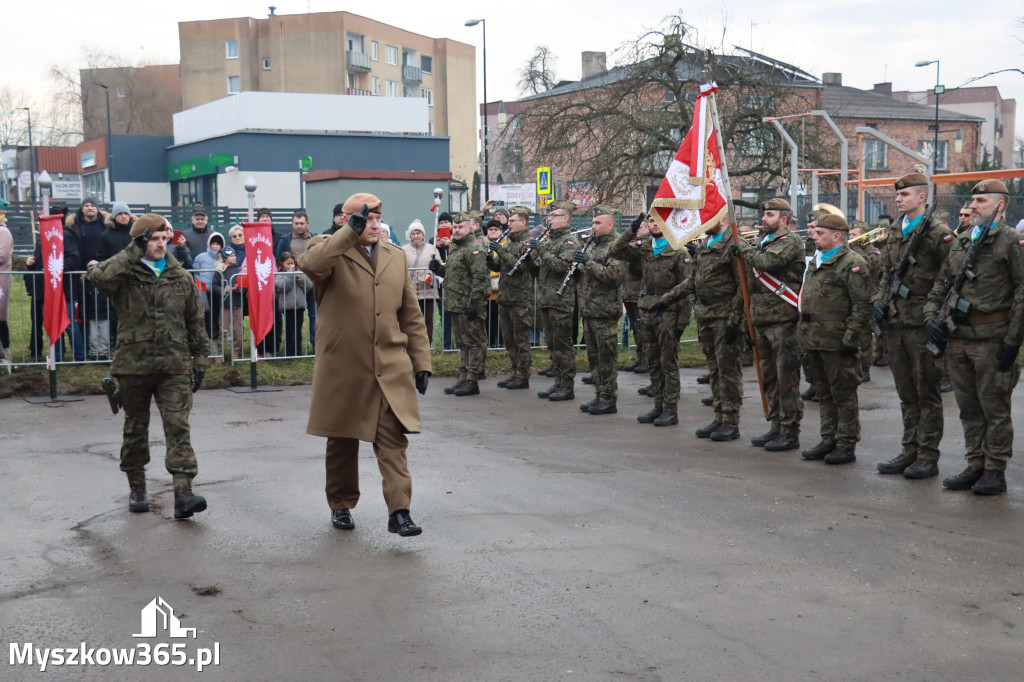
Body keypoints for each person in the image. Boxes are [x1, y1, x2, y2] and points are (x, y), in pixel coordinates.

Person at [298, 193, 431, 536]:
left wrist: (421, 362)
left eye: (376, 219)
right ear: (347, 219)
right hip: (345, 366)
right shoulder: (329, 248)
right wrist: (347, 233)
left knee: (393, 440)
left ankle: (399, 512)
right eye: (365, 219)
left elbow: (411, 315)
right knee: (342, 442)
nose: (373, 225)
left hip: (388, 364)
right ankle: (341, 504)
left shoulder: (394, 256)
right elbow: (310, 265)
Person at [86, 213, 212, 519]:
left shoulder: (178, 275)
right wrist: (133, 250)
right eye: (153, 238)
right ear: (142, 240)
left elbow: (195, 320)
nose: (160, 243)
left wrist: (201, 358)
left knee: (178, 428)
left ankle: (183, 492)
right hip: (133, 366)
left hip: (174, 365)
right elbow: (99, 277)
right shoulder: (125, 272)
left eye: (163, 238)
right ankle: (137, 488)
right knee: (135, 429)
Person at [925, 180, 1024, 495]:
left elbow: (1023, 292)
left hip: (993, 339)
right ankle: (975, 463)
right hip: (959, 338)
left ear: (1000, 205)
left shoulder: (1011, 242)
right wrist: (930, 316)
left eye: (981, 200)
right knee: (968, 407)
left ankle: (994, 470)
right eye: (972, 200)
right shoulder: (963, 240)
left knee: (994, 408)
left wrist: (1013, 341)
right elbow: (942, 282)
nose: (973, 206)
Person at [870, 174, 954, 480]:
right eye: (898, 194)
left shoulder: (938, 233)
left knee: (926, 392)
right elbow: (886, 273)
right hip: (896, 323)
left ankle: (927, 455)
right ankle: (909, 449)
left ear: (922, 197)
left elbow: (951, 277)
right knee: (906, 391)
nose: (899, 198)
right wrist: (879, 301)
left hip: (922, 323)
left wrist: (938, 318)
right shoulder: (895, 231)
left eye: (905, 194)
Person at [653, 216, 741, 437]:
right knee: (714, 369)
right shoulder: (706, 244)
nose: (702, 223)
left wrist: (736, 320)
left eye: (709, 218)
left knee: (727, 370)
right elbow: (693, 280)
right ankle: (719, 415)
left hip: (724, 315)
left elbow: (743, 286)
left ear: (723, 217)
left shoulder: (734, 244)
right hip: (706, 315)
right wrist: (666, 299)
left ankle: (731, 421)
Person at [730, 198, 805, 451]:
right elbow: (750, 287)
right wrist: (745, 321)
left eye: (770, 215)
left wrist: (743, 249)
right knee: (769, 378)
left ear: (784, 220)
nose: (764, 219)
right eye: (764, 215)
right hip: (762, 321)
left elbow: (768, 263)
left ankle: (790, 430)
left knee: (786, 379)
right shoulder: (761, 243)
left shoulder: (790, 242)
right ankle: (775, 425)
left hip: (784, 322)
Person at [798, 214, 872, 465]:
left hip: (837, 340)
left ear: (836, 236)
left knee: (843, 394)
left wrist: (851, 338)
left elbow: (861, 305)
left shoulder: (852, 262)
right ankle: (828, 438)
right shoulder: (817, 261)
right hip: (814, 338)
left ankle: (845, 443)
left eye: (820, 233)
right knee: (823, 393)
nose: (814, 237)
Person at [614, 213, 692, 426]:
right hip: (646, 308)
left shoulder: (678, 251)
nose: (655, 225)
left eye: (659, 221)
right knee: (653, 362)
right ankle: (658, 405)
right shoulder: (644, 248)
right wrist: (630, 231)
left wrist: (682, 323)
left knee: (668, 363)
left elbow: (687, 290)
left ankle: (670, 409)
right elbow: (616, 250)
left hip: (668, 311)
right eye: (651, 221)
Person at [428, 212, 490, 396]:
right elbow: (452, 271)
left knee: (472, 343)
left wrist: (474, 304)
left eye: (460, 227)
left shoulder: (475, 248)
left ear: (470, 227)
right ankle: (463, 377)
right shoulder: (456, 247)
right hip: (455, 302)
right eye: (454, 227)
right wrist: (438, 268)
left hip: (468, 304)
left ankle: (472, 379)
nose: (456, 230)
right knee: (462, 343)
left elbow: (479, 279)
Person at [574, 205, 626, 415]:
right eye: (593, 222)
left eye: (597, 223)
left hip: (604, 310)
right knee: (594, 358)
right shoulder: (592, 244)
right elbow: (587, 273)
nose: (593, 226)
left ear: (610, 224)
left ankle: (608, 398)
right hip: (589, 309)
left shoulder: (617, 246)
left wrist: (588, 264)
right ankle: (599, 395)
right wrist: (578, 269)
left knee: (606, 358)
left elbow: (614, 277)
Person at [529, 200, 581, 401]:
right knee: (552, 345)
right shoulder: (549, 241)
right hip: (547, 299)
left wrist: (541, 250)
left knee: (563, 345)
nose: (549, 220)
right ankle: (558, 382)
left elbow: (560, 266)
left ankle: (567, 386)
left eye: (553, 216)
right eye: (549, 216)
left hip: (561, 301)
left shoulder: (569, 242)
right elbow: (540, 268)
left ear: (565, 219)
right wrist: (530, 257)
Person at [488, 205, 535, 389]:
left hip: (520, 298)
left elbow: (521, 266)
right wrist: (489, 258)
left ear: (522, 223)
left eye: (513, 221)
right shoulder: (509, 242)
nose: (509, 224)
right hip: (505, 297)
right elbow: (498, 266)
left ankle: (523, 375)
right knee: (509, 338)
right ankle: (514, 371)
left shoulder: (528, 243)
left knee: (520, 339)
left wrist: (500, 251)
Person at [65, 196, 111, 360]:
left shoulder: (106, 225)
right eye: (87, 205)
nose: (90, 207)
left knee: (105, 311)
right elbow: (73, 249)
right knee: (84, 312)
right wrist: (79, 271)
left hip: (103, 272)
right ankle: (88, 347)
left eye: (93, 205)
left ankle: (105, 347)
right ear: (82, 209)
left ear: (97, 208)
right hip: (80, 275)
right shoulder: (74, 226)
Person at [847, 220, 882, 384]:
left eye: (854, 235)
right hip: (851, 299)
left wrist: (856, 251)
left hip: (867, 299)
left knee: (865, 337)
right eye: (850, 234)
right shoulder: (848, 251)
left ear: (863, 237)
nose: (850, 237)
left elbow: (871, 266)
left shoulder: (874, 252)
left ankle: (865, 368)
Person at [400, 219, 440, 343]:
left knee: (428, 319)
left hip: (428, 290)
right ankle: (412, 342)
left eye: (418, 233)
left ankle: (427, 343)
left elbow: (438, 266)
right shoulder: (403, 250)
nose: (416, 236)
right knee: (412, 319)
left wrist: (430, 274)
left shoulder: (432, 249)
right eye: (413, 233)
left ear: (423, 234)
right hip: (411, 290)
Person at [274, 251, 312, 356]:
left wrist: (300, 278)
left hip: (299, 306)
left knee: (298, 330)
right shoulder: (280, 274)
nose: (291, 266)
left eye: (292, 263)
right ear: (282, 264)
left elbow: (309, 286)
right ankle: (289, 352)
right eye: (288, 264)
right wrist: (291, 276)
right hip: (288, 307)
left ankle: (298, 351)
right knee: (290, 330)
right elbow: (282, 287)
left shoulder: (300, 273)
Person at [192, 232, 225, 353]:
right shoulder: (200, 257)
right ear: (209, 244)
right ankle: (207, 345)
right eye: (213, 243)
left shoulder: (224, 257)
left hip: (218, 292)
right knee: (206, 319)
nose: (215, 246)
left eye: (218, 244)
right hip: (204, 293)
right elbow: (196, 273)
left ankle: (217, 346)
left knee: (218, 319)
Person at [215, 245, 244, 358]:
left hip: (237, 304)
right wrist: (225, 291)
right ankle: (219, 353)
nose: (234, 257)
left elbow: (245, 285)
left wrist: (240, 288)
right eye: (231, 256)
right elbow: (213, 286)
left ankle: (235, 352)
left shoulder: (239, 270)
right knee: (223, 330)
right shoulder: (219, 271)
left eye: (234, 255)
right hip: (225, 305)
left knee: (238, 330)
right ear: (225, 258)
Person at [484, 220, 504, 347]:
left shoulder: (504, 245)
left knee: (500, 318)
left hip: (501, 289)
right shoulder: (483, 244)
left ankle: (501, 341)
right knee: (488, 318)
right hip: (487, 290)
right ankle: (490, 342)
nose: (493, 231)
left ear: (501, 231)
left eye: (496, 229)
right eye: (490, 229)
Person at [0, 209, 11, 365]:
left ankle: (5, 355)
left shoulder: (3, 232)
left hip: (1, 280)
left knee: (0, 318)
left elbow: (1, 255)